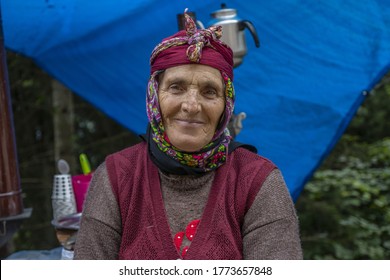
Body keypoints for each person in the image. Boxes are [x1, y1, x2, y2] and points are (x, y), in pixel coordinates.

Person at [73, 12, 302, 260]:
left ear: (226, 104)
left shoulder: (257, 182)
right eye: (176, 87)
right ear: (154, 95)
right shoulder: (116, 178)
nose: (191, 106)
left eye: (209, 91)